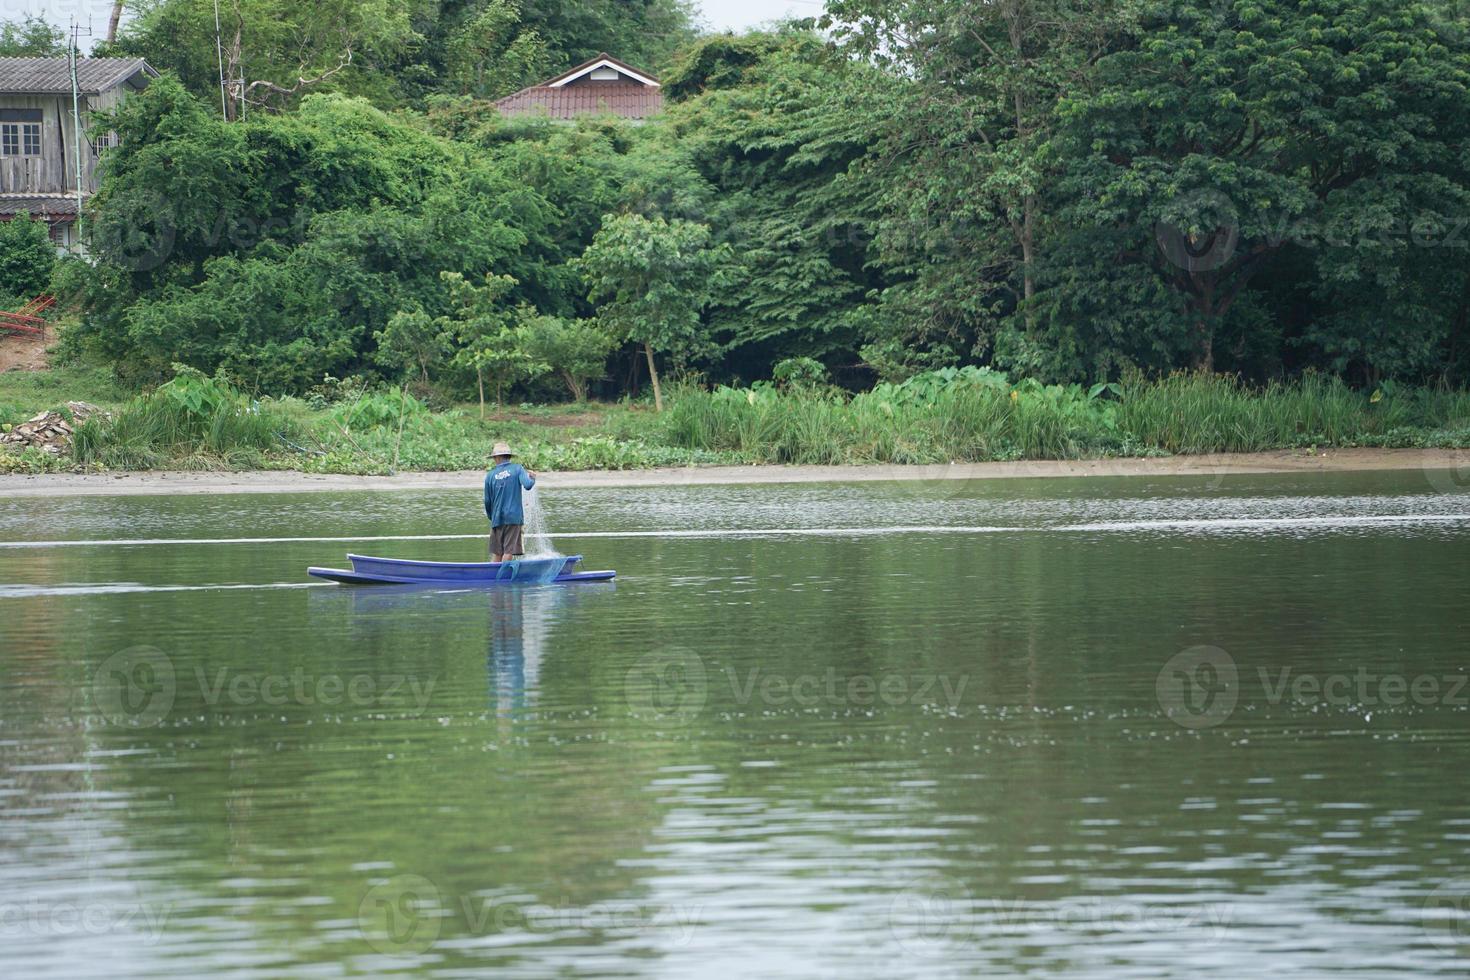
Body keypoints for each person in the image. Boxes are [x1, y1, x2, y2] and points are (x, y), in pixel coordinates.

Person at [484, 442, 538, 562]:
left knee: (497, 552)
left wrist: (491, 516)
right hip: (514, 517)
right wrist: (533, 478)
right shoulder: (517, 469)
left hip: (497, 518)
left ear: (497, 457)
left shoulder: (490, 475)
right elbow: (528, 485)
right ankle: (503, 578)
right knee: (508, 551)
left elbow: (487, 501)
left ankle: (492, 576)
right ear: (509, 456)